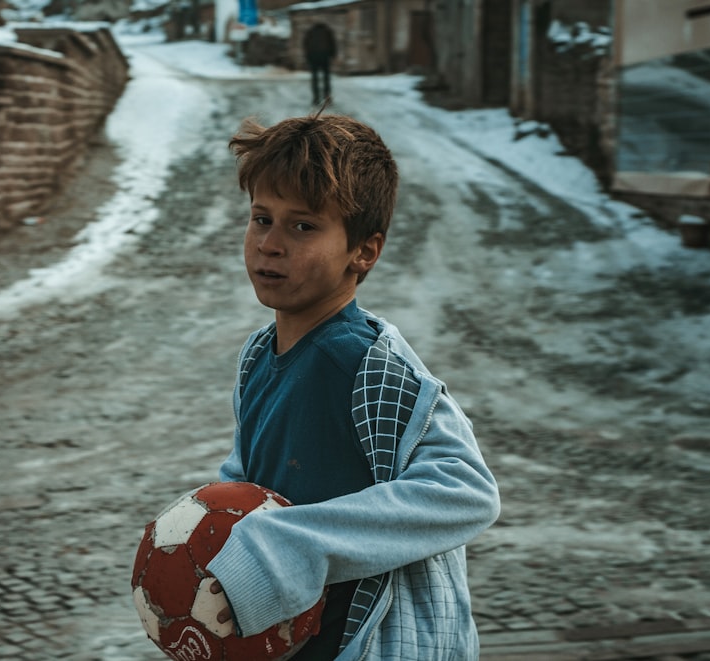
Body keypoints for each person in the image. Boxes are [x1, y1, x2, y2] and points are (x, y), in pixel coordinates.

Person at [204, 111, 502, 660]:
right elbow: (249, 480)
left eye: (303, 226)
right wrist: (207, 533)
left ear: (364, 251)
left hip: (371, 642)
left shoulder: (366, 364)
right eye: (261, 218)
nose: (270, 244)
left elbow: (465, 491)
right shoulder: (256, 358)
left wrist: (289, 546)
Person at [303, 22, 337, 105]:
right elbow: (333, 44)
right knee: (326, 78)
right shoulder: (327, 31)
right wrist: (332, 55)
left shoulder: (310, 32)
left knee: (315, 78)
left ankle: (316, 98)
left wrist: (308, 56)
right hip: (325, 56)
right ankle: (327, 98)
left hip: (314, 57)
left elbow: (306, 44)